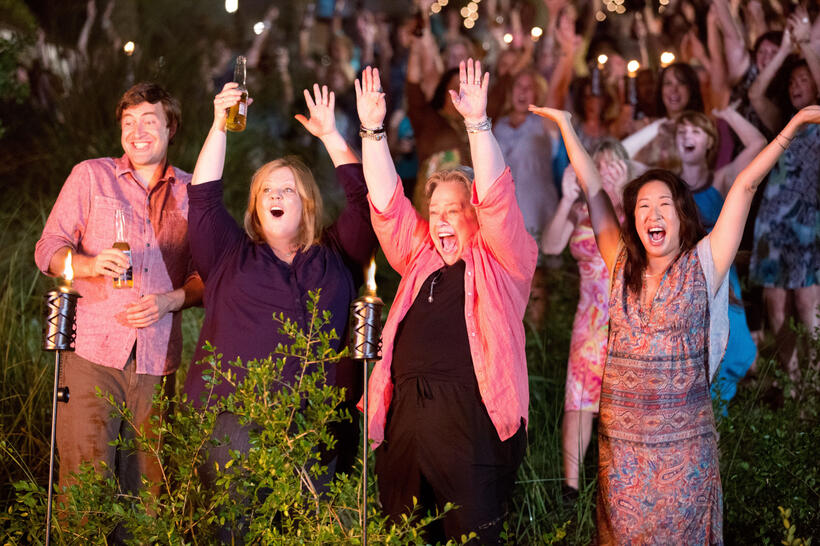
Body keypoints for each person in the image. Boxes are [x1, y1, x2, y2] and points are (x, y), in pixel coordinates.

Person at [530, 103, 820, 544]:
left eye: (664, 204)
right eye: (643, 205)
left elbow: (743, 187)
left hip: (685, 458)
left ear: (682, 217)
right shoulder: (620, 264)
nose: (652, 213)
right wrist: (568, 127)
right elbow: (593, 189)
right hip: (622, 459)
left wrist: (793, 126)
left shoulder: (704, 265)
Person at [356, 61, 536, 544]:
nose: (441, 221)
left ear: (475, 215)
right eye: (435, 211)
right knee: (405, 535)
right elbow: (389, 203)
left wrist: (478, 123)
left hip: (470, 421)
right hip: (405, 420)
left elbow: (497, 197)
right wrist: (372, 132)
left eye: (455, 210)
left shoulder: (505, 261)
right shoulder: (421, 257)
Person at [182, 82, 376, 508]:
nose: (275, 194)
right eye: (266, 190)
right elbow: (203, 201)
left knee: (308, 528)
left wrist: (330, 137)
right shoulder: (229, 255)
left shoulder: (337, 255)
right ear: (255, 206)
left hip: (320, 422)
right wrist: (219, 126)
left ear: (306, 203)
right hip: (236, 420)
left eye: (286, 189)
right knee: (238, 527)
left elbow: (366, 203)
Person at [34, 82, 204, 498]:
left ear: (171, 127)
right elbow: (48, 248)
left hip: (157, 362)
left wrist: (171, 301)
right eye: (128, 122)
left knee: (147, 496)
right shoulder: (91, 176)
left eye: (149, 120)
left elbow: (207, 276)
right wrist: (87, 264)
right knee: (84, 491)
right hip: (91, 355)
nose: (137, 131)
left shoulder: (192, 192)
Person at [541, 139, 632, 498]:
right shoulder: (579, 208)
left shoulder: (631, 207)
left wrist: (624, 191)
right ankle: (570, 489)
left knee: (622, 402)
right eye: (599, 164)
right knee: (577, 401)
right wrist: (566, 198)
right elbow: (550, 247)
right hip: (588, 317)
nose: (605, 170)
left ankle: (619, 485)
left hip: (625, 315)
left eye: (614, 165)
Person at [675, 108, 765, 410]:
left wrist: (728, 114)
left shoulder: (722, 178)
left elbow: (757, 144)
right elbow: (624, 160)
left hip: (723, 283)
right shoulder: (668, 187)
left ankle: (721, 432)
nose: (688, 136)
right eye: (682, 132)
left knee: (733, 353)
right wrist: (656, 128)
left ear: (710, 142)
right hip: (687, 284)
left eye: (696, 131)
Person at [748, 25, 820, 384]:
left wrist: (806, 46)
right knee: (776, 308)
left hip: (809, 225)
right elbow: (756, 93)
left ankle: (814, 384)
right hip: (773, 227)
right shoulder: (784, 124)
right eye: (792, 81)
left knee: (808, 307)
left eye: (804, 80)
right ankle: (792, 386)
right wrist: (784, 51)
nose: (796, 86)